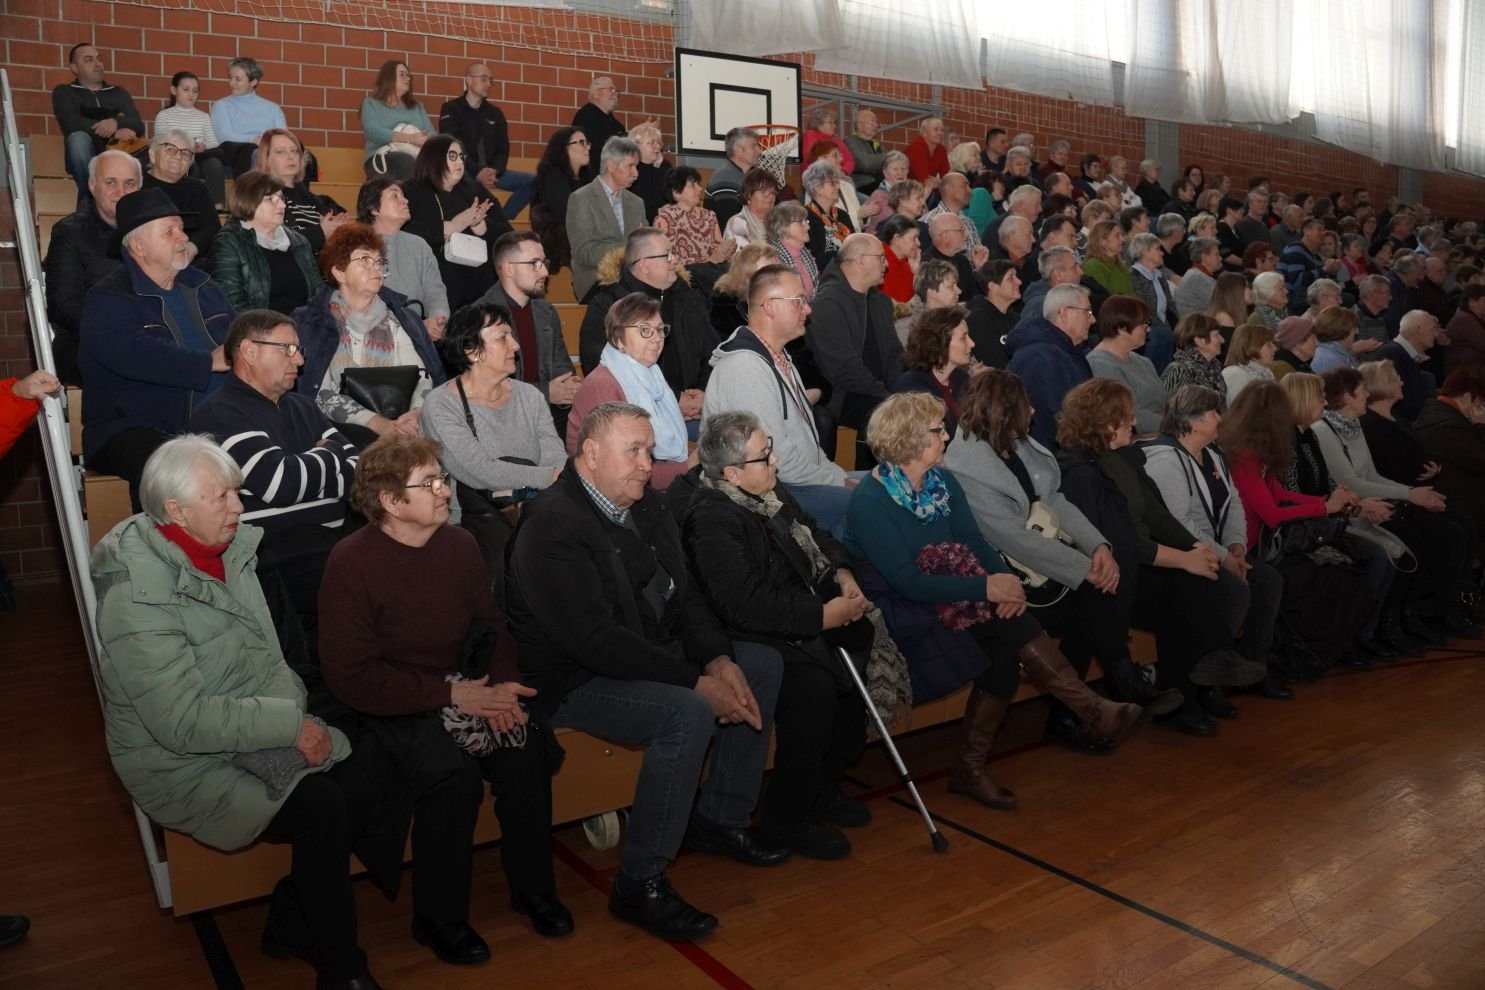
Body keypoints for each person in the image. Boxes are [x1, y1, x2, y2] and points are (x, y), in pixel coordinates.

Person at [92, 436, 377, 989]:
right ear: (175, 512)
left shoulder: (232, 550)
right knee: (323, 806)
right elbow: (180, 722)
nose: (238, 508)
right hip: (176, 759)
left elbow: (270, 656)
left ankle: (292, 921)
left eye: (235, 494)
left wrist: (287, 716)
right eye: (220, 497)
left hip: (248, 717)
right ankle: (341, 967)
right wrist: (292, 726)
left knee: (363, 783)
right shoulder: (136, 599)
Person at [507, 402, 787, 941]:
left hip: (645, 652)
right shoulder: (553, 524)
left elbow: (688, 600)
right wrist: (696, 682)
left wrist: (717, 659)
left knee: (761, 664)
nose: (647, 462)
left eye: (650, 449)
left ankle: (720, 820)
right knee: (685, 712)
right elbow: (596, 642)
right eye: (632, 450)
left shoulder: (648, 507)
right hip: (573, 679)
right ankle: (639, 883)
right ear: (590, 453)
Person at [320, 435, 569, 958]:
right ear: (389, 502)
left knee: (523, 746)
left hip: (467, 685)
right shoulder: (351, 562)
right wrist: (450, 695)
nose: (443, 490)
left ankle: (534, 890)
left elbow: (491, 626)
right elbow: (352, 676)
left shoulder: (459, 546)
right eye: (429, 482)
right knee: (451, 778)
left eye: (442, 478)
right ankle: (439, 918)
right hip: (395, 700)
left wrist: (502, 687)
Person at [846, 392, 1141, 808]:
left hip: (954, 590)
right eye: (936, 430)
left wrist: (1004, 579)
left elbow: (972, 542)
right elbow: (908, 581)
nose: (947, 436)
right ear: (908, 439)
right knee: (1004, 640)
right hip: (899, 606)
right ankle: (1087, 708)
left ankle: (974, 767)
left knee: (1003, 651)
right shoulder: (871, 502)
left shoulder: (943, 482)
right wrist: (987, 588)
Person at [943, 372, 1193, 748]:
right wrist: (1085, 569)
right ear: (1004, 412)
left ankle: (1082, 708)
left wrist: (1098, 547)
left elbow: (1055, 498)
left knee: (1096, 600)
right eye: (1024, 404)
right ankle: (1109, 690)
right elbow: (1014, 539)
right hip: (1006, 578)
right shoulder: (967, 468)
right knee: (1091, 601)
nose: (1032, 409)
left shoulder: (1016, 445)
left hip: (1040, 567)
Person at [668, 412, 878, 857]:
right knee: (813, 688)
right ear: (731, 473)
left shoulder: (766, 490)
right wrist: (821, 617)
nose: (776, 461)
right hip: (747, 632)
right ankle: (788, 819)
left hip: (795, 612)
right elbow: (743, 603)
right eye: (765, 456)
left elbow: (819, 536)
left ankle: (823, 786)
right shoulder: (710, 517)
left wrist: (841, 574)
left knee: (856, 641)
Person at [1055, 379, 1268, 733]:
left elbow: (1157, 516)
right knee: (1184, 589)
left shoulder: (1123, 458)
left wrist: (1194, 548)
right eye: (1126, 418)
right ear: (1106, 422)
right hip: (1106, 577)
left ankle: (1194, 681)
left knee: (1194, 585)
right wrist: (1186, 558)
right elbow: (1123, 542)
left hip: (1132, 571)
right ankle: (1192, 675)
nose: (1134, 424)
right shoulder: (1078, 470)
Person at [80, 189, 233, 506]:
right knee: (170, 466)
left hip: (218, 417)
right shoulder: (108, 298)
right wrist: (207, 363)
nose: (182, 237)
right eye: (169, 231)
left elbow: (240, 334)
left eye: (181, 228)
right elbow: (133, 353)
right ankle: (167, 554)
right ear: (138, 246)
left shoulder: (206, 287)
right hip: (136, 426)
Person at [1140, 386, 1291, 704]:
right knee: (1232, 590)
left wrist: (1236, 546)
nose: (1221, 419)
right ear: (1193, 421)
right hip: (1183, 554)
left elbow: (1233, 500)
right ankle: (1202, 684)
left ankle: (1250, 669)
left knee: (1268, 582)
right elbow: (1178, 524)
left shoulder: (1212, 453)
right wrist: (1224, 557)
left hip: (1217, 548)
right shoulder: (1166, 460)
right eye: (1213, 413)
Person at [1219, 382, 1379, 670]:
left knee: (1346, 574)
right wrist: (1325, 506)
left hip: (1268, 542)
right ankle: (1301, 654)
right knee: (1326, 580)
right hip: (1255, 546)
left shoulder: (1256, 452)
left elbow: (1280, 495)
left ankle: (1330, 648)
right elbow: (1271, 514)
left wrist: (1326, 500)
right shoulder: (1245, 458)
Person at [1311, 368, 1475, 637]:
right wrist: (1411, 495)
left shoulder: (1352, 425)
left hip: (1374, 502)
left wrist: (1414, 492)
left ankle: (1412, 613)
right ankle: (1390, 621)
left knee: (1453, 528)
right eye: (1361, 390)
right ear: (1347, 397)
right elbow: (1352, 484)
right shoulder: (1324, 430)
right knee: (1423, 540)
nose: (1366, 393)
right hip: (1352, 511)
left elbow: (1372, 475)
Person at [417, 302, 565, 584]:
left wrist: (557, 477)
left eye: (511, 335)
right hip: (471, 529)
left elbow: (554, 454)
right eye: (502, 337)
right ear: (472, 351)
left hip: (537, 512)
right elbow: (479, 471)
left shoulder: (530, 397)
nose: (516, 345)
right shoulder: (442, 405)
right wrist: (554, 477)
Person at [703, 264, 849, 530]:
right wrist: (842, 482)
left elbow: (810, 449)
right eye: (799, 301)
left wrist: (837, 475)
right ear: (769, 306)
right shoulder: (745, 368)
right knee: (874, 502)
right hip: (770, 493)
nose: (808, 309)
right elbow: (778, 459)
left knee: (889, 487)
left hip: (796, 482)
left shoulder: (778, 356)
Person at [1279, 372, 1409, 658]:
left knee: (1391, 551)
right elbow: (1291, 498)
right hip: (1303, 529)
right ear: (1302, 400)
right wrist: (1349, 505)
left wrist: (1354, 503)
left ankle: (1368, 630)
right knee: (1374, 556)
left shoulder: (1308, 435)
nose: (1325, 402)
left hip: (1326, 518)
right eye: (1319, 397)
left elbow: (1328, 485)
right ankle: (1351, 637)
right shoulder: (1286, 443)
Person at [294, 223, 444, 448]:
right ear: (339, 272)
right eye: (365, 261)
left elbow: (423, 376)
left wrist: (415, 415)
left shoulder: (402, 319)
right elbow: (320, 393)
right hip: (336, 431)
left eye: (379, 262)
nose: (376, 268)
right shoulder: (311, 322)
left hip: (405, 424)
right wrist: (378, 424)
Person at [578, 228, 717, 426]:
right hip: (638, 414)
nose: (675, 260)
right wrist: (672, 398)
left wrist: (704, 393)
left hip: (696, 409)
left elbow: (711, 353)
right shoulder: (609, 304)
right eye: (668, 254)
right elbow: (601, 364)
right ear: (644, 265)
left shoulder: (689, 298)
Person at [566, 293, 695, 490]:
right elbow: (624, 471)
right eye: (645, 330)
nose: (657, 338)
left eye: (660, 330)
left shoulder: (652, 376)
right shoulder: (604, 384)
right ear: (619, 339)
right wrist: (689, 466)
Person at [42, 149, 139, 384]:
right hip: (86, 342)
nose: (121, 192)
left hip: (145, 338)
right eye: (110, 182)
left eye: (130, 183)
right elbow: (63, 303)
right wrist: (112, 331)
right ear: (92, 186)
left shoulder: (152, 230)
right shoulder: (69, 232)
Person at [474, 231, 581, 432]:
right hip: (500, 423)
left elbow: (563, 368)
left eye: (543, 262)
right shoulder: (480, 316)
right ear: (508, 269)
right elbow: (486, 387)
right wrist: (546, 392)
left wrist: (569, 388)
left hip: (547, 417)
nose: (544, 273)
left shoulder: (546, 312)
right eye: (534, 263)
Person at [808, 233, 903, 453]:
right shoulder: (828, 304)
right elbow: (844, 370)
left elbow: (894, 354)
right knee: (895, 421)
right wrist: (890, 399)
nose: (887, 264)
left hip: (878, 391)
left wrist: (900, 392)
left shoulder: (880, 301)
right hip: (844, 396)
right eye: (881, 258)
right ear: (860, 260)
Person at [403, 135, 512, 312]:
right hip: (435, 283)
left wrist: (480, 227)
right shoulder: (411, 190)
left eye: (462, 157)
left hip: (478, 283)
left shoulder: (475, 190)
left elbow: (507, 235)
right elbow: (403, 232)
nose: (459, 161)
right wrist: (451, 226)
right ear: (434, 157)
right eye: (452, 156)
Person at [210, 171, 323, 315]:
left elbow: (318, 294)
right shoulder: (228, 242)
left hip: (305, 328)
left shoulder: (298, 241)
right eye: (271, 199)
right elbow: (232, 304)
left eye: (282, 198)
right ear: (248, 201)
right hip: (260, 331)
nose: (282, 205)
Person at [1005, 283, 1096, 449]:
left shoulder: (1067, 349)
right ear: (1064, 313)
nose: (1093, 319)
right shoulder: (1039, 358)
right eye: (1087, 312)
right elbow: (1057, 424)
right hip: (1057, 458)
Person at [358, 177, 450, 341]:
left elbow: (434, 289)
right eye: (395, 196)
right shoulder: (358, 247)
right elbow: (360, 305)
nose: (405, 200)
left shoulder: (419, 245)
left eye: (403, 195)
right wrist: (418, 327)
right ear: (374, 209)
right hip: (372, 340)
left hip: (419, 338)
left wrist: (438, 318)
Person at [438, 63, 534, 220]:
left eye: (490, 80)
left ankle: (502, 219)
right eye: (483, 79)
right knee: (466, 184)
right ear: (469, 80)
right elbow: (452, 145)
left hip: (493, 173)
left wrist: (494, 170)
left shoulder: (495, 113)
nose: (488, 84)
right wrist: (477, 172)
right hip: (465, 171)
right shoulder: (451, 109)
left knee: (533, 181)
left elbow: (503, 148)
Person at [53, 43, 144, 201]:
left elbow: (138, 125)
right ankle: (89, 198)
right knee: (77, 139)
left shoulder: (118, 93)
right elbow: (70, 122)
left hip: (117, 153)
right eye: (89, 60)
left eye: (99, 59)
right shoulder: (64, 92)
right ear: (74, 67)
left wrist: (115, 122)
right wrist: (114, 131)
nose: (98, 64)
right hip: (84, 155)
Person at [567, 136, 647, 303]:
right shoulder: (582, 199)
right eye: (630, 166)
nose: (636, 173)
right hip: (595, 278)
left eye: (636, 167)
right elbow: (583, 252)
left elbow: (644, 245)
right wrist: (629, 250)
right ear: (611, 165)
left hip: (632, 277)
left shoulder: (637, 202)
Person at [256, 128, 351, 257]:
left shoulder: (313, 199)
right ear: (266, 159)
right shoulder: (261, 198)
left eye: (294, 151)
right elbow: (273, 244)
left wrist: (337, 231)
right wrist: (321, 232)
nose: (290, 157)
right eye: (280, 152)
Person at [1415, 370, 1485, 539]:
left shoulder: (1441, 413)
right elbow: (1481, 460)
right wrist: (1482, 426)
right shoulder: (1448, 425)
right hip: (1455, 496)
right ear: (1468, 397)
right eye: (1481, 402)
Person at [892, 305, 977, 439]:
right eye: (963, 338)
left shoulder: (961, 378)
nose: (972, 343)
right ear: (940, 343)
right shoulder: (913, 390)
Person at [1086, 295, 1166, 435]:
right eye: (1144, 324)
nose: (1147, 330)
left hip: (1162, 433)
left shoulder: (1143, 362)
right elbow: (1131, 415)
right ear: (1121, 328)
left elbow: (1165, 401)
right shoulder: (1100, 364)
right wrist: (1176, 426)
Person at [142, 129, 220, 262]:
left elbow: (212, 227)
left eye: (185, 153)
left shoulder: (197, 188)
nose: (178, 156)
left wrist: (192, 248)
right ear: (153, 155)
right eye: (170, 149)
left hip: (191, 262)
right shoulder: (136, 184)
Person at [153, 70, 225, 208]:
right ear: (174, 90)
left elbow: (214, 143)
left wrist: (203, 145)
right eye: (186, 89)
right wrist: (184, 146)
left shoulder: (203, 117)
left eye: (195, 91)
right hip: (177, 156)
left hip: (199, 155)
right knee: (190, 166)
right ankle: (187, 206)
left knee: (214, 164)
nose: (191, 94)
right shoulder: (164, 115)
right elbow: (159, 142)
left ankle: (217, 208)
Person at [529, 126, 593, 277]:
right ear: (563, 148)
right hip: (558, 240)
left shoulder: (586, 178)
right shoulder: (553, 176)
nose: (587, 148)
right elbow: (567, 215)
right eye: (581, 143)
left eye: (587, 143)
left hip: (580, 236)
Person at [210, 57, 287, 177]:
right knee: (255, 153)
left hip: (268, 151)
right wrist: (254, 139)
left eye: (238, 79)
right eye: (230, 78)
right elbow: (223, 136)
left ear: (253, 82)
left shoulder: (273, 108)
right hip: (238, 154)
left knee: (303, 155)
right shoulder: (222, 105)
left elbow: (283, 136)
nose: (231, 83)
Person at [360, 60, 435, 180]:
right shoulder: (371, 103)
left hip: (416, 156)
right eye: (402, 74)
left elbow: (431, 133)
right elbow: (372, 131)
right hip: (381, 157)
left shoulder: (417, 107)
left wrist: (424, 138)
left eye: (408, 75)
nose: (408, 78)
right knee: (405, 161)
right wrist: (410, 138)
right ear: (389, 77)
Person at [655, 166, 732, 267]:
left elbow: (717, 250)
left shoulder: (709, 216)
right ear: (676, 192)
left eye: (698, 184)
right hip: (685, 277)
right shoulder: (665, 220)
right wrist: (709, 260)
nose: (700, 188)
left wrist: (726, 252)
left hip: (713, 272)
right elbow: (669, 259)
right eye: (692, 185)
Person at [1374, 310, 1441, 421]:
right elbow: (1403, 406)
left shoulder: (1401, 354)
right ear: (1418, 330)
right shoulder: (1392, 356)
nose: (1436, 334)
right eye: (1433, 329)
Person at [801, 160, 857, 271]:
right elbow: (815, 258)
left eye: (837, 182)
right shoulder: (805, 216)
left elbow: (855, 245)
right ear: (817, 188)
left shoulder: (842, 215)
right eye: (832, 183)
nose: (838, 187)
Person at [964, 259, 1019, 369]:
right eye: (1011, 278)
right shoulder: (978, 320)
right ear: (993, 287)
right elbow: (994, 365)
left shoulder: (1016, 318)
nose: (1019, 282)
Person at [572, 76, 643, 158]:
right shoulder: (586, 116)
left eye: (616, 92)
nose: (615, 94)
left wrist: (641, 133)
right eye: (611, 90)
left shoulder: (616, 124)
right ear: (597, 94)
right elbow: (605, 145)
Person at [705, 127, 761, 230]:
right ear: (738, 150)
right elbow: (730, 224)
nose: (759, 150)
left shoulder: (741, 176)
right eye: (753, 146)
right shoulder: (725, 177)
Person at [1161, 313, 1227, 396]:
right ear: (1198, 341)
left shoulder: (1214, 368)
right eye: (1216, 335)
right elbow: (1174, 407)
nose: (1222, 340)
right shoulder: (1179, 371)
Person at [1129, 231, 1179, 334]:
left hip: (1165, 328)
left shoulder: (1159, 276)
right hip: (1148, 331)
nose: (1162, 253)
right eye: (1157, 249)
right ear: (1144, 252)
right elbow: (1142, 311)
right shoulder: (1133, 276)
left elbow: (1171, 307)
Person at [768, 201, 820, 299]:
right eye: (801, 222)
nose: (808, 227)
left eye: (806, 221)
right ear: (784, 226)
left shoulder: (804, 252)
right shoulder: (774, 259)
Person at [627, 121, 673, 224]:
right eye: (652, 142)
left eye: (659, 143)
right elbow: (628, 210)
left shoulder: (664, 173)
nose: (657, 147)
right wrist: (658, 211)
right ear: (635, 146)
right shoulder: (627, 174)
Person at [723, 168, 780, 248]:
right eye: (763, 191)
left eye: (772, 193)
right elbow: (744, 258)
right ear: (749, 195)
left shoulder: (778, 222)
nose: (770, 197)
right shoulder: (737, 223)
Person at [1221, 323, 1278, 403]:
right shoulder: (1235, 374)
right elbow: (1241, 411)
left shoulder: (1267, 372)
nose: (1275, 348)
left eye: (1273, 344)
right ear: (1251, 346)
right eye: (1268, 344)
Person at [1171, 237, 1222, 318]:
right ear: (1204, 256)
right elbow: (1221, 305)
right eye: (1217, 254)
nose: (1220, 258)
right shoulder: (1197, 277)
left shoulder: (1197, 274)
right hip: (1197, 327)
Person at [877, 214, 922, 304]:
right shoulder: (878, 260)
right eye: (914, 238)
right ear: (897, 239)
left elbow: (908, 302)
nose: (918, 243)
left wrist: (914, 272)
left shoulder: (907, 263)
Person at [1082, 220, 1132, 298]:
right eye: (1117, 235)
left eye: (1121, 235)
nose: (1123, 239)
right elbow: (1101, 299)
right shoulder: (1093, 266)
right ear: (1103, 242)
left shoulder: (1120, 265)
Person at [1309, 305, 1364, 374]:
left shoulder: (1333, 351)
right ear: (1341, 330)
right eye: (1354, 329)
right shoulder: (1330, 359)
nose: (1357, 332)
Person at [1444, 284, 1485, 375]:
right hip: (1465, 368)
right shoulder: (1465, 319)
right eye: (1484, 300)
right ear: (1471, 302)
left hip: (1473, 364)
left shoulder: (1470, 316)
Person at [845, 108, 888, 191]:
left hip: (880, 185)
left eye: (876, 122)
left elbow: (888, 166)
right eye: (872, 122)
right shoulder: (850, 141)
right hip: (863, 186)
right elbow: (864, 163)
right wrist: (887, 157)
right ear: (859, 125)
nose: (876, 125)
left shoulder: (879, 146)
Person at [1272, 315, 1319, 380]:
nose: (1317, 343)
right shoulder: (1283, 370)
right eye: (1312, 339)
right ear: (1297, 343)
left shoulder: (1304, 361)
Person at [904, 117, 949, 185]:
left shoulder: (942, 149)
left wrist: (940, 183)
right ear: (924, 133)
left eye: (942, 130)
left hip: (929, 190)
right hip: (910, 190)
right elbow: (924, 180)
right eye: (936, 129)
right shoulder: (916, 148)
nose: (940, 133)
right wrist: (942, 183)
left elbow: (947, 177)